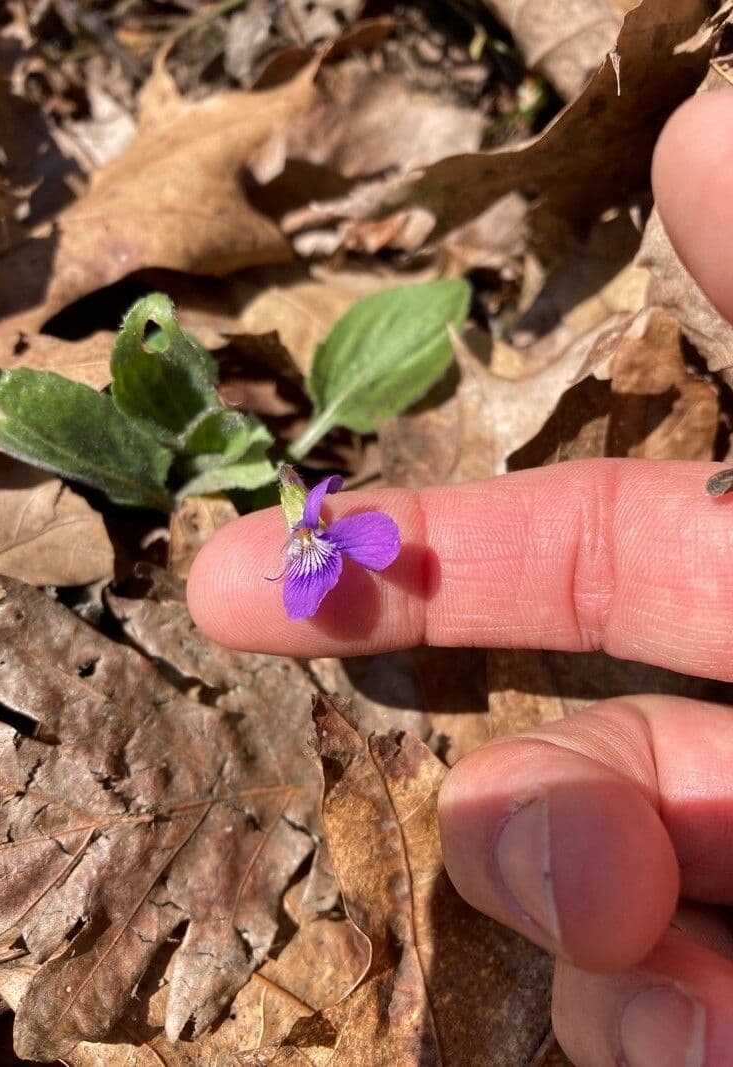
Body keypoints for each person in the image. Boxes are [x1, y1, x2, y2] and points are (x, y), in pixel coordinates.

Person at [188, 90, 733, 1067]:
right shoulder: (321, 538)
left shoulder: (325, 534)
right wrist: (307, 529)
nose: (309, 554)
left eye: (308, 536)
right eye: (307, 541)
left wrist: (307, 526)